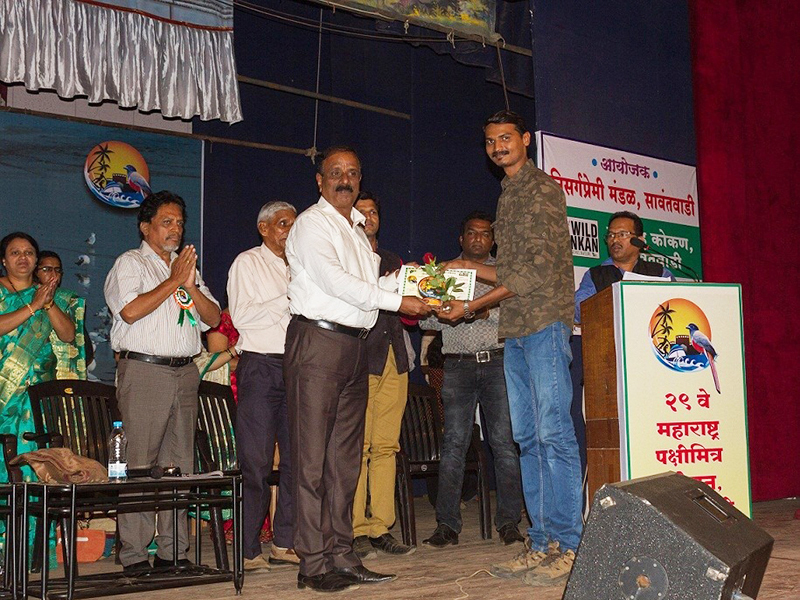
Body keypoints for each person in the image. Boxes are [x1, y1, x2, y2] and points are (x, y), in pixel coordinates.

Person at [439, 111, 581, 588]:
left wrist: (473, 303)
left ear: (524, 141)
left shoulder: (540, 189)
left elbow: (533, 274)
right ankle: (541, 542)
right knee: (525, 438)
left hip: (543, 325)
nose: (497, 147)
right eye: (490, 141)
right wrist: (466, 274)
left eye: (506, 139)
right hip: (515, 331)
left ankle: (571, 543)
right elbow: (509, 273)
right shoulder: (508, 194)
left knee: (554, 433)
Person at [283, 146, 431, 593]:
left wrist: (426, 281)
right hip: (318, 343)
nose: (344, 180)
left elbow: (374, 285)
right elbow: (337, 284)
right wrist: (397, 300)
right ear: (320, 180)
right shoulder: (312, 224)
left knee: (344, 462)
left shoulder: (356, 228)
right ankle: (311, 564)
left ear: (360, 179)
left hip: (354, 348)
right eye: (335, 173)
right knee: (311, 461)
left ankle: (342, 556)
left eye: (352, 173)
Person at [104, 191, 220, 574]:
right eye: (166, 222)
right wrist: (173, 281)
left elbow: (214, 318)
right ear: (145, 227)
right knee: (139, 464)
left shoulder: (186, 268)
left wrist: (186, 284)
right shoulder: (130, 263)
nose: (175, 229)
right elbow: (131, 310)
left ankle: (174, 551)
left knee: (180, 465)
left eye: (180, 222)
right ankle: (135, 554)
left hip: (185, 371)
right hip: (145, 371)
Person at [420, 211, 524, 548]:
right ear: (461, 238)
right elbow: (427, 325)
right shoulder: (445, 271)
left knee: (504, 446)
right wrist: (438, 307)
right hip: (458, 367)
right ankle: (447, 525)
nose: (478, 238)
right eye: (471, 233)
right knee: (453, 447)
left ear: (493, 240)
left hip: (497, 362)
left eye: (484, 233)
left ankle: (509, 521)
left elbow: (516, 315)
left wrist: (475, 310)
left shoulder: (503, 274)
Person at [571, 211, 675, 478]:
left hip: (650, 366)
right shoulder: (595, 275)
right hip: (607, 366)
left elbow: (674, 309)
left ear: (640, 240)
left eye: (623, 235)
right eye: (611, 235)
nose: (615, 240)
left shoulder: (660, 272)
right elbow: (580, 311)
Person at [227, 201, 299, 571]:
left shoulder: (305, 265)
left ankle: (284, 542)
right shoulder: (247, 263)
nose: (290, 229)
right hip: (260, 366)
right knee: (255, 462)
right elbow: (242, 315)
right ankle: (247, 548)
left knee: (295, 460)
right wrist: (289, 295)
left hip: (298, 368)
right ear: (264, 228)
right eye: (284, 223)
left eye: (294, 223)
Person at [351, 191, 415, 559]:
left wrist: (422, 290)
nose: (369, 217)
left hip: (395, 361)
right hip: (360, 360)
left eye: (374, 211)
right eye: (361, 212)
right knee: (357, 448)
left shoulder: (392, 259)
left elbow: (408, 317)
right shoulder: (346, 257)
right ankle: (355, 528)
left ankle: (381, 528)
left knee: (387, 446)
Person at [0, 233, 78, 482]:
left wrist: (47, 303)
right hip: (4, 391)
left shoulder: (46, 295)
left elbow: (67, 335)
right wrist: (32, 306)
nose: (23, 258)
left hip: (38, 395)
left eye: (29, 253)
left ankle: (34, 521)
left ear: (36, 260)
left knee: (37, 460)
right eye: (15, 252)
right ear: (4, 260)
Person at [36, 250, 91, 378]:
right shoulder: (24, 299)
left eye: (57, 270)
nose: (54, 275)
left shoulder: (69, 300)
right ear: (34, 272)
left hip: (62, 376)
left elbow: (83, 348)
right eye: (47, 269)